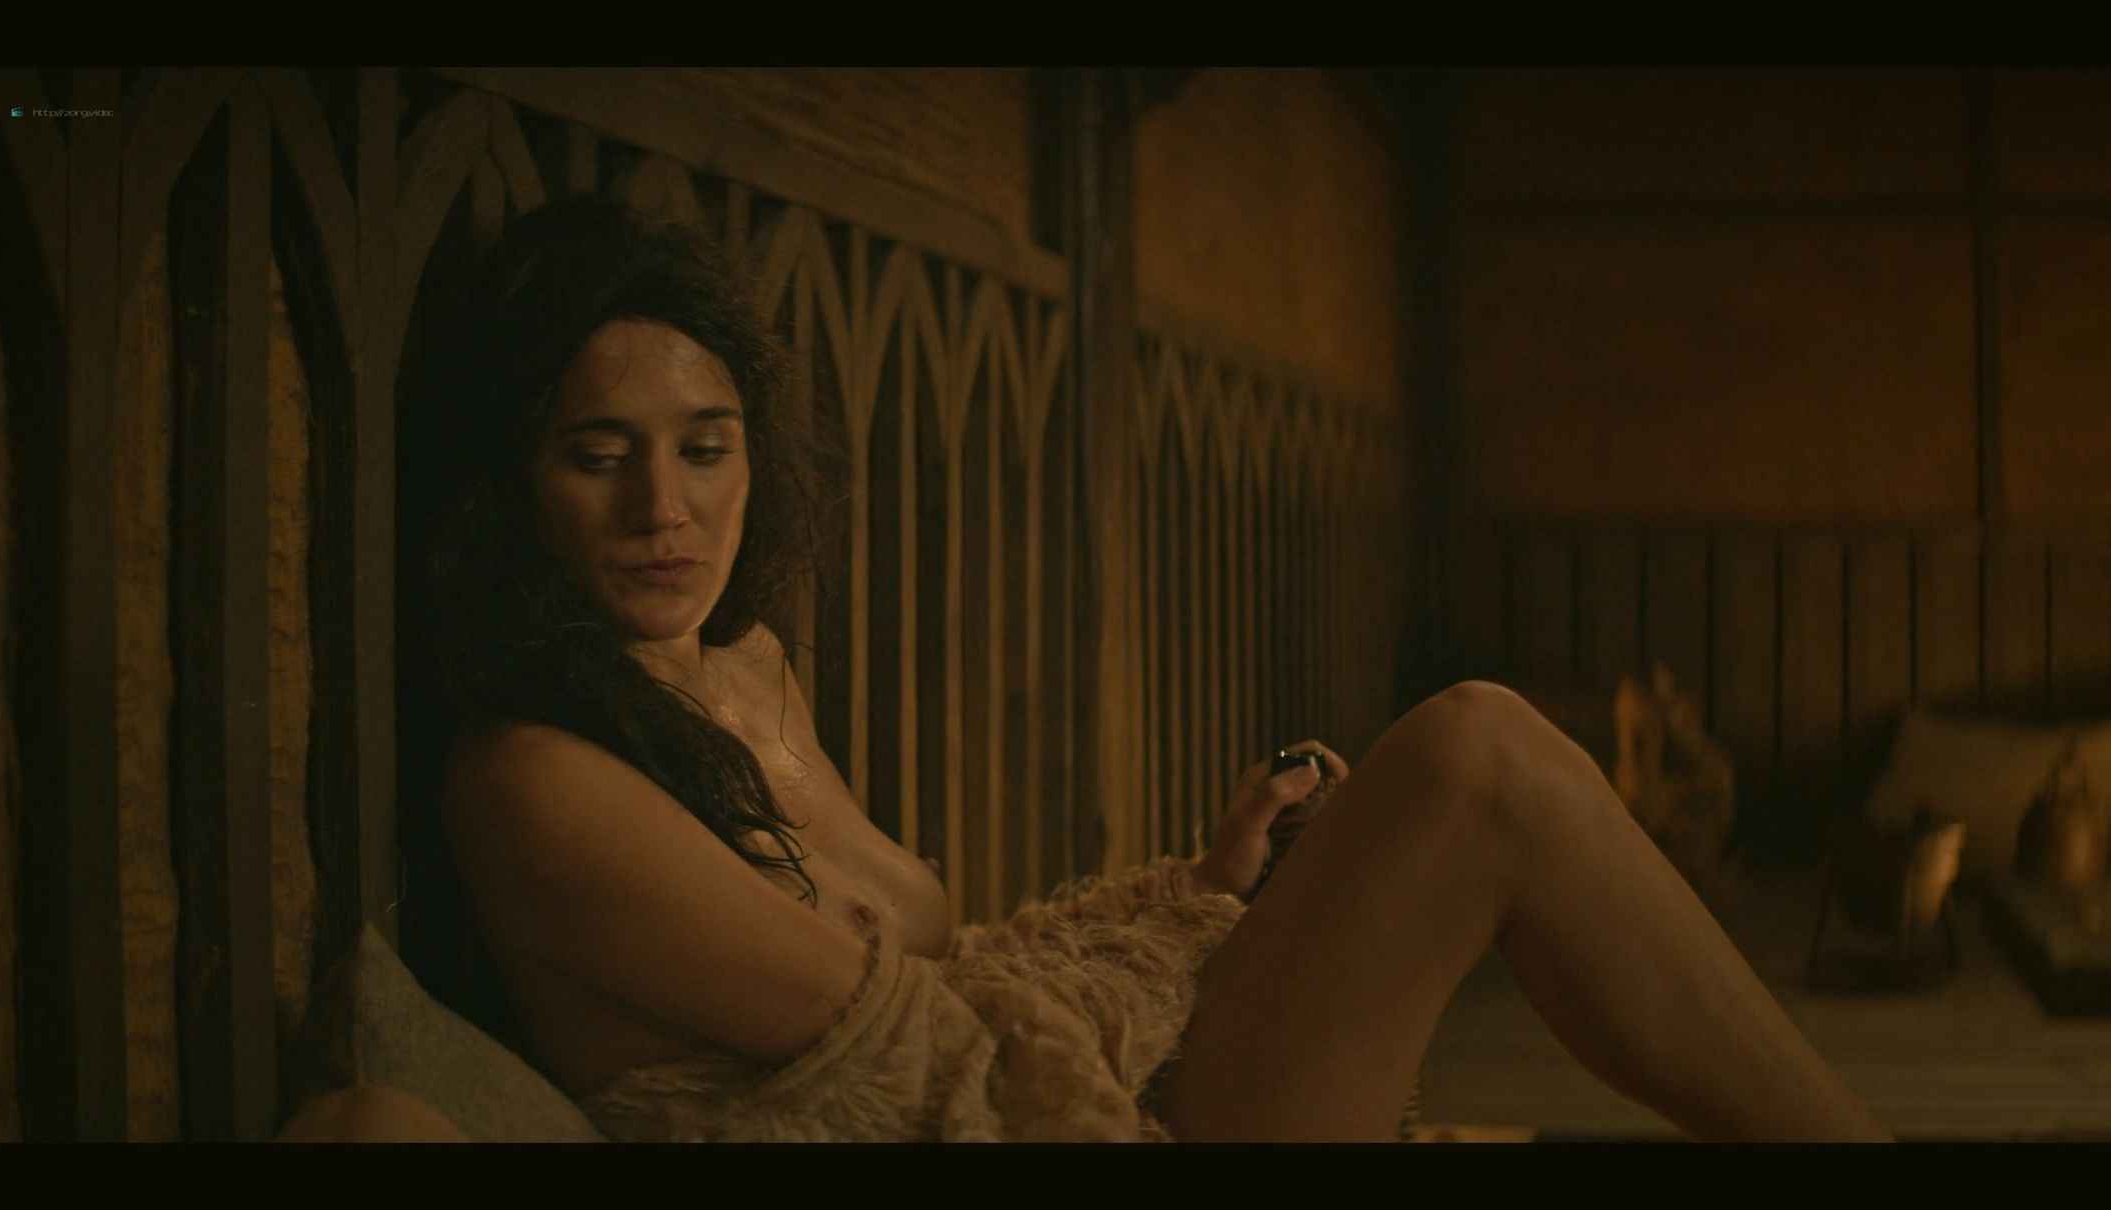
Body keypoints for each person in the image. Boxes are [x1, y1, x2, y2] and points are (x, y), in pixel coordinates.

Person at [379, 195, 1890, 1143]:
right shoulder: (536, 782)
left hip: (1032, 1102)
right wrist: (1188, 931)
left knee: (1478, 756)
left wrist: (1200, 888)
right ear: (513, 488)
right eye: (600, 456)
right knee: (1476, 758)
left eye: (705, 449)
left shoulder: (747, 678)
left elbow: (946, 971)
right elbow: (929, 1047)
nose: (665, 508)